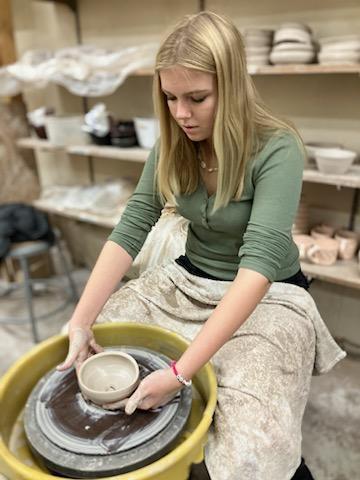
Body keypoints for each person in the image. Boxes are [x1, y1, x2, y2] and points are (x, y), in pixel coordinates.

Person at [57, 11, 345, 480]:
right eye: (170, 98)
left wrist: (178, 373)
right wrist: (80, 320)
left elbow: (260, 262)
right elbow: (133, 224)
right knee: (103, 344)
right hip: (193, 275)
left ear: (231, 87)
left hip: (268, 291)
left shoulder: (278, 146)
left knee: (253, 440)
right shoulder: (174, 141)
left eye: (197, 98)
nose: (181, 114)